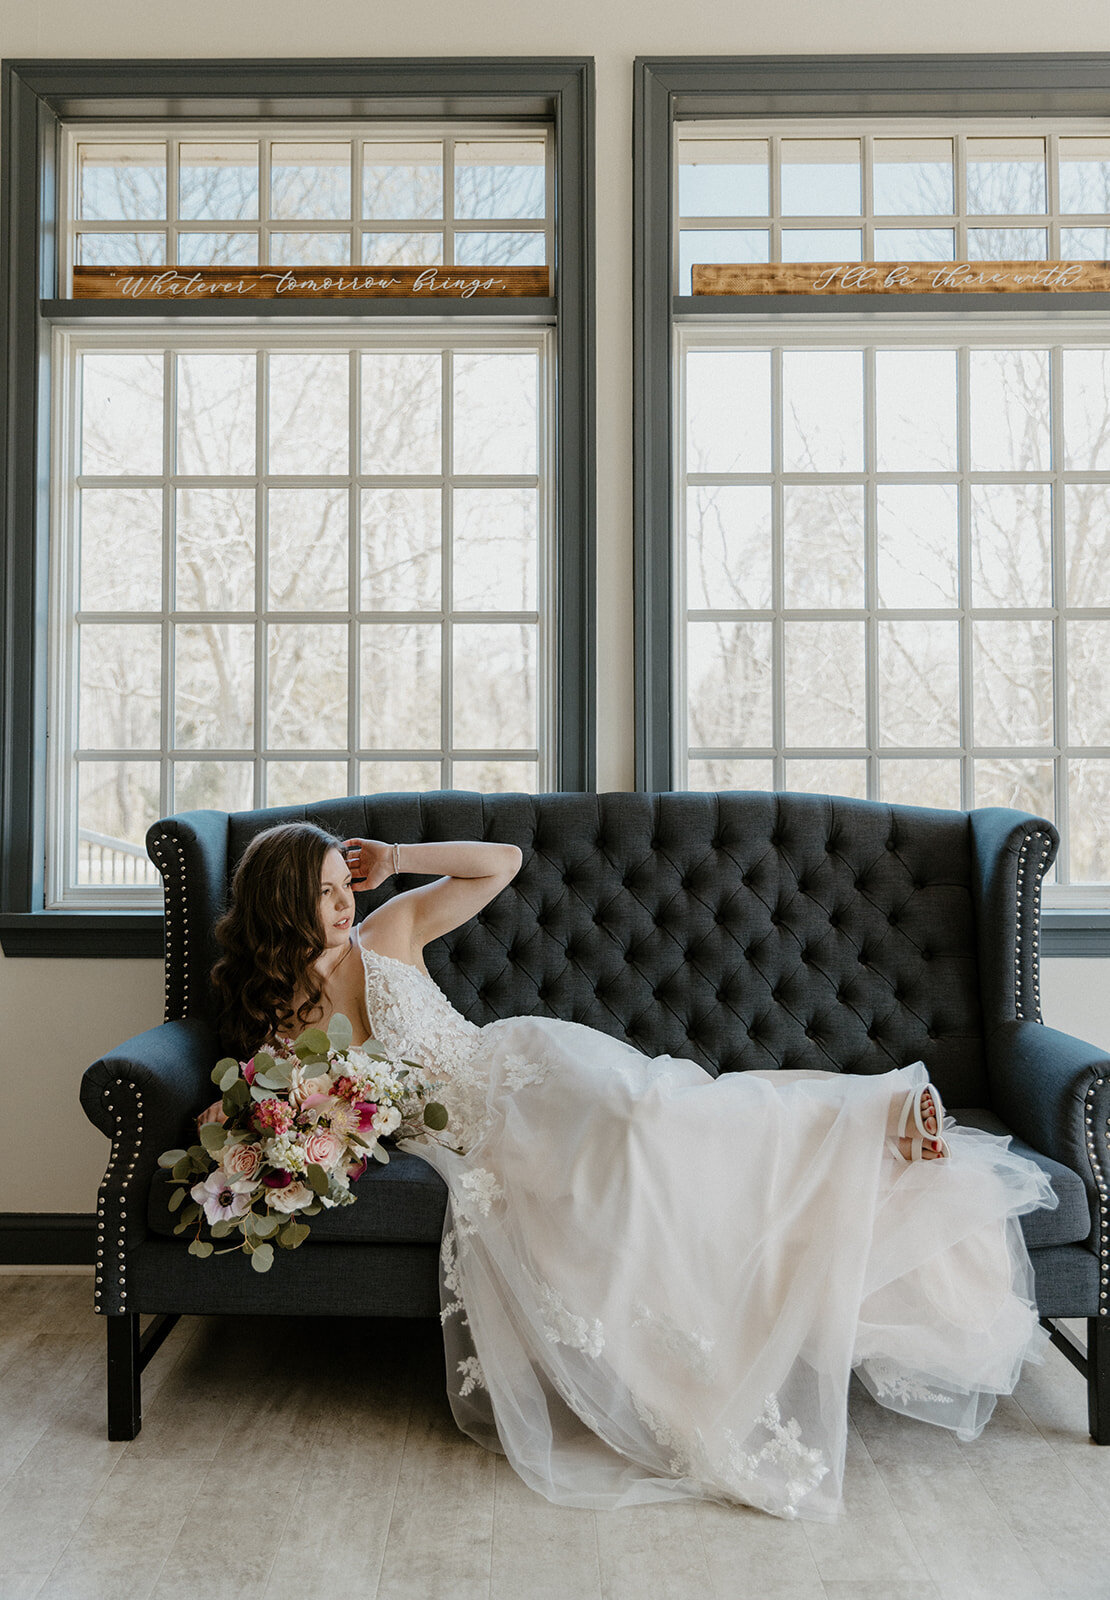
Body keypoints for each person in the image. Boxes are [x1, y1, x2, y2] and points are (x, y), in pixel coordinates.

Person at [202, 820, 1056, 1521]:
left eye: (342, 881)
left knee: (654, 1113)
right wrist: (248, 1124)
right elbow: (284, 1107)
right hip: (472, 1141)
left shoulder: (388, 931)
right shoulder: (279, 1012)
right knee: (638, 1173)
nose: (344, 899)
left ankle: (869, 1118)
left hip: (522, 1067)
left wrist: (397, 861)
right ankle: (861, 1127)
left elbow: (503, 864)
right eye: (322, 890)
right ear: (283, 902)